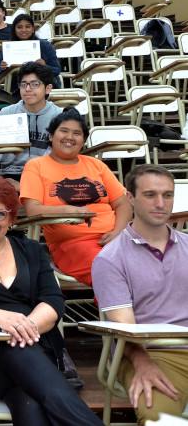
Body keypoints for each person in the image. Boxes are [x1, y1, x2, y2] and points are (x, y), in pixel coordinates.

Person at [0, 174, 103, 425]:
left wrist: (29, 326)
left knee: (29, 400)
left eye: (0, 214)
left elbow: (52, 300)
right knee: (15, 347)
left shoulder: (31, 250)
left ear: (12, 218)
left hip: (35, 352)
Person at [92, 165, 188, 425]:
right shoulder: (110, 259)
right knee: (161, 420)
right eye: (150, 195)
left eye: (167, 195)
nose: (160, 203)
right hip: (150, 352)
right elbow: (124, 329)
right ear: (130, 198)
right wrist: (142, 362)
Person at [20, 107, 132, 287]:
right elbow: (33, 210)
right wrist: (70, 210)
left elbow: (123, 203)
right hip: (73, 244)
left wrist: (118, 233)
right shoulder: (36, 166)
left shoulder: (96, 165)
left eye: (77, 133)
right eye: (64, 131)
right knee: (112, 272)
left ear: (83, 141)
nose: (70, 137)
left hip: (117, 238)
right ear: (50, 136)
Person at [0, 62, 62, 189]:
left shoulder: (59, 116)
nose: (28, 89)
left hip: (47, 174)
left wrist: (25, 185)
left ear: (48, 88)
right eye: (24, 84)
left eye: (35, 84)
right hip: (12, 174)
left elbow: (60, 156)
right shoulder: (7, 113)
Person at [0, 14, 61, 89]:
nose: (24, 30)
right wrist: (2, 67)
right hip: (18, 86)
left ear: (33, 28)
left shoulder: (45, 45)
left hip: (43, 85)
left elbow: (57, 70)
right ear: (14, 29)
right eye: (19, 27)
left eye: (28, 27)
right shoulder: (8, 47)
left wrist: (45, 66)